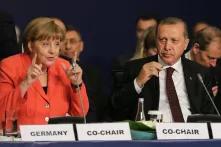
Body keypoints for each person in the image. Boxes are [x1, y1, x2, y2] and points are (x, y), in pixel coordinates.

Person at [111, 17, 214, 122]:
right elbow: (115, 107)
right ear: (156, 41)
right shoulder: (136, 68)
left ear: (186, 44)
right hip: (153, 134)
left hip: (192, 134)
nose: (167, 47)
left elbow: (211, 115)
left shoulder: (199, 73)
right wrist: (138, 82)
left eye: (174, 40)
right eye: (162, 40)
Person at [0, 17, 89, 132]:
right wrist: (25, 83)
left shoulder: (64, 66)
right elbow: (2, 113)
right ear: (31, 46)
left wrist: (77, 85)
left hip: (58, 140)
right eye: (46, 44)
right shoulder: (10, 66)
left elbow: (79, 114)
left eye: (57, 44)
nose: (53, 51)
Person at [60, 25, 107, 122]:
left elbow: (101, 106)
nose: (68, 46)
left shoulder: (93, 73)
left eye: (72, 41)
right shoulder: (54, 71)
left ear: (81, 46)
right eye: (63, 42)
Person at [189, 26, 221, 112]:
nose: (214, 64)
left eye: (217, 59)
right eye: (211, 58)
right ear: (196, 48)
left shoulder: (216, 71)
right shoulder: (175, 65)